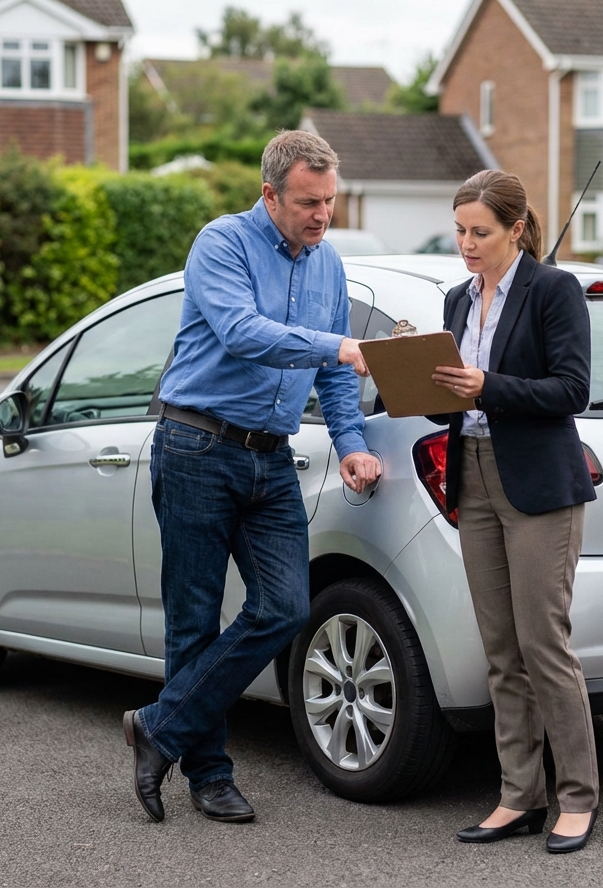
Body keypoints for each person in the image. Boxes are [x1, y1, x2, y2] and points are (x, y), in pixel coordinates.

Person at [123, 130, 382, 824]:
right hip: (197, 447)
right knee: (193, 622)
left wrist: (352, 444)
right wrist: (341, 343)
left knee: (286, 607)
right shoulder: (222, 244)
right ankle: (209, 776)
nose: (322, 215)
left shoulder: (330, 268)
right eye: (307, 202)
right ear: (269, 194)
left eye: (330, 201)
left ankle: (158, 727)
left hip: (271, 457)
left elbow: (331, 375)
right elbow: (242, 330)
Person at [430, 169, 600, 854]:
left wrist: (486, 386)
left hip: (537, 484)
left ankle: (578, 798)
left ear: (516, 230)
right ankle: (517, 796)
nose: (467, 244)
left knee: (543, 645)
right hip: (471, 475)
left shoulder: (554, 291)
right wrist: (412, 379)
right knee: (500, 650)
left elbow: (572, 389)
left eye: (481, 232)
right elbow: (452, 401)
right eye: (461, 231)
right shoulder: (455, 301)